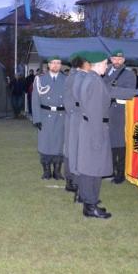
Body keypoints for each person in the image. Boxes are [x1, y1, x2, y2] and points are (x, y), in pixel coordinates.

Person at [74, 51, 115, 219]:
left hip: (89, 127)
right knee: (93, 169)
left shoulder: (90, 79)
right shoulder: (95, 82)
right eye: (106, 63)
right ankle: (90, 207)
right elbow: (96, 111)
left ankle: (89, 203)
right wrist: (98, 137)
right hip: (95, 128)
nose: (107, 66)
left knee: (88, 167)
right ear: (98, 64)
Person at [103, 49, 137, 184]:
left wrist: (109, 91)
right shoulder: (105, 72)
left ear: (123, 60)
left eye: (119, 59)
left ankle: (120, 172)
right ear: (110, 59)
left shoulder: (129, 75)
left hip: (119, 111)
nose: (116, 61)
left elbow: (129, 93)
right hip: (106, 111)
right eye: (114, 59)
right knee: (108, 142)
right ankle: (109, 170)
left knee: (120, 144)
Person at [31, 56, 67, 181]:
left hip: (61, 116)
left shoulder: (66, 79)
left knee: (59, 145)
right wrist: (36, 119)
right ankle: (46, 172)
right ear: (49, 65)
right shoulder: (40, 79)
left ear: (61, 65)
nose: (56, 65)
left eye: (58, 63)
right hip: (45, 116)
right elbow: (35, 100)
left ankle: (57, 172)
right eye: (53, 63)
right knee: (45, 144)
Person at [63, 51, 88, 195]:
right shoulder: (76, 77)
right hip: (75, 118)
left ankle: (71, 180)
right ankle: (73, 180)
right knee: (73, 149)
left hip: (72, 117)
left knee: (70, 149)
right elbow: (71, 101)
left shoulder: (73, 75)